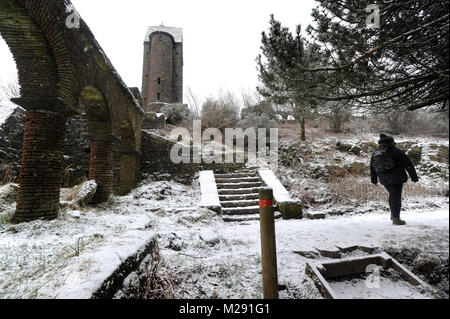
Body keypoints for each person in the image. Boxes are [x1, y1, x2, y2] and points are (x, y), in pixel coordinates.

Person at [370, 134, 419, 226]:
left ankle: (393, 215)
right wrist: (414, 177)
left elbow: (372, 167)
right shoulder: (397, 152)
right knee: (395, 197)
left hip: (384, 179)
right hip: (397, 179)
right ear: (392, 143)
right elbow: (408, 164)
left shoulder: (376, 153)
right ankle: (396, 219)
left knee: (392, 195)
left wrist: (374, 179)